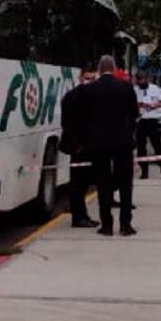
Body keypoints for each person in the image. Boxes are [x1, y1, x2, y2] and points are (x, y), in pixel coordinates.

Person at [82, 55, 140, 236]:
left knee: (103, 183)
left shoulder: (91, 90)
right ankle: (125, 224)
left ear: (99, 69)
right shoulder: (126, 87)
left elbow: (86, 117)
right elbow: (135, 114)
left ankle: (106, 224)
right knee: (125, 183)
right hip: (123, 141)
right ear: (114, 69)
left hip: (99, 143)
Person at [60, 63, 99, 228]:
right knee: (78, 184)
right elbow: (67, 124)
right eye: (87, 78)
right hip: (79, 147)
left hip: (90, 146)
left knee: (84, 184)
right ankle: (79, 217)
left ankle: (82, 215)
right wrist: (78, 144)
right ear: (80, 77)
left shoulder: (95, 96)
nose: (89, 81)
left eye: (92, 78)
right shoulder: (72, 97)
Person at [134, 69, 161, 180]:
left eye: (143, 79)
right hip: (141, 121)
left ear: (147, 79)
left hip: (152, 120)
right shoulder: (135, 90)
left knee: (157, 145)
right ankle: (144, 171)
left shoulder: (155, 89)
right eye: (139, 80)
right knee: (141, 147)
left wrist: (153, 106)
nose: (141, 82)